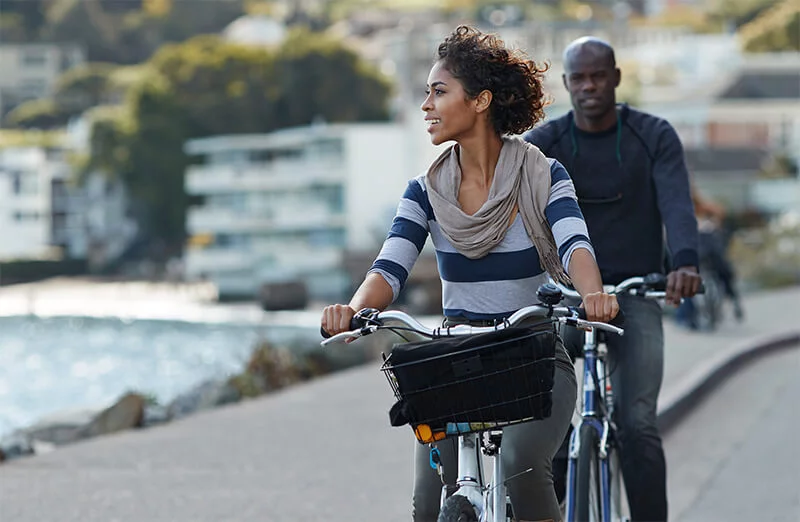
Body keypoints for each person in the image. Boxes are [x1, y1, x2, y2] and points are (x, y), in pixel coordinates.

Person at [322, 26, 619, 522]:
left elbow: (574, 246)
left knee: (523, 464)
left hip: (534, 357)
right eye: (426, 94)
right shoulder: (424, 191)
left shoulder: (543, 175)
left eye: (439, 92)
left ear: (480, 101)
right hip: (457, 359)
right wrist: (353, 311)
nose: (427, 106)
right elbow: (389, 268)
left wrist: (593, 294)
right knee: (427, 500)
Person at [523, 37, 701, 522]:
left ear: (616, 78)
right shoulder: (543, 145)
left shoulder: (653, 135)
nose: (589, 86)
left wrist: (684, 263)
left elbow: (677, 205)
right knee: (546, 428)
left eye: (598, 75)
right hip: (566, 298)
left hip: (636, 292)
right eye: (578, 78)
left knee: (638, 424)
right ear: (565, 84)